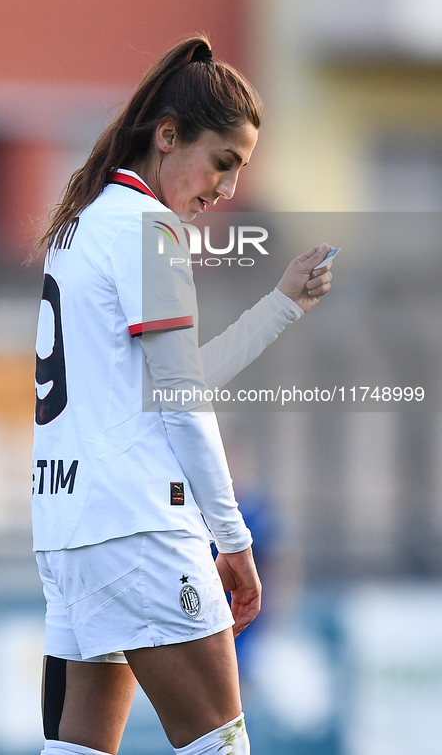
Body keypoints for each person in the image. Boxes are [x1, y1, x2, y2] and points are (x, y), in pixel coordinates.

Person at [31, 36, 332, 755]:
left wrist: (279, 305)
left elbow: (172, 379)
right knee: (220, 748)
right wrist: (232, 537)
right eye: (222, 162)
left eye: (240, 170)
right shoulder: (149, 229)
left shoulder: (82, 225)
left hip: (69, 528)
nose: (226, 188)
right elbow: (182, 404)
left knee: (76, 750)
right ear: (166, 136)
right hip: (139, 528)